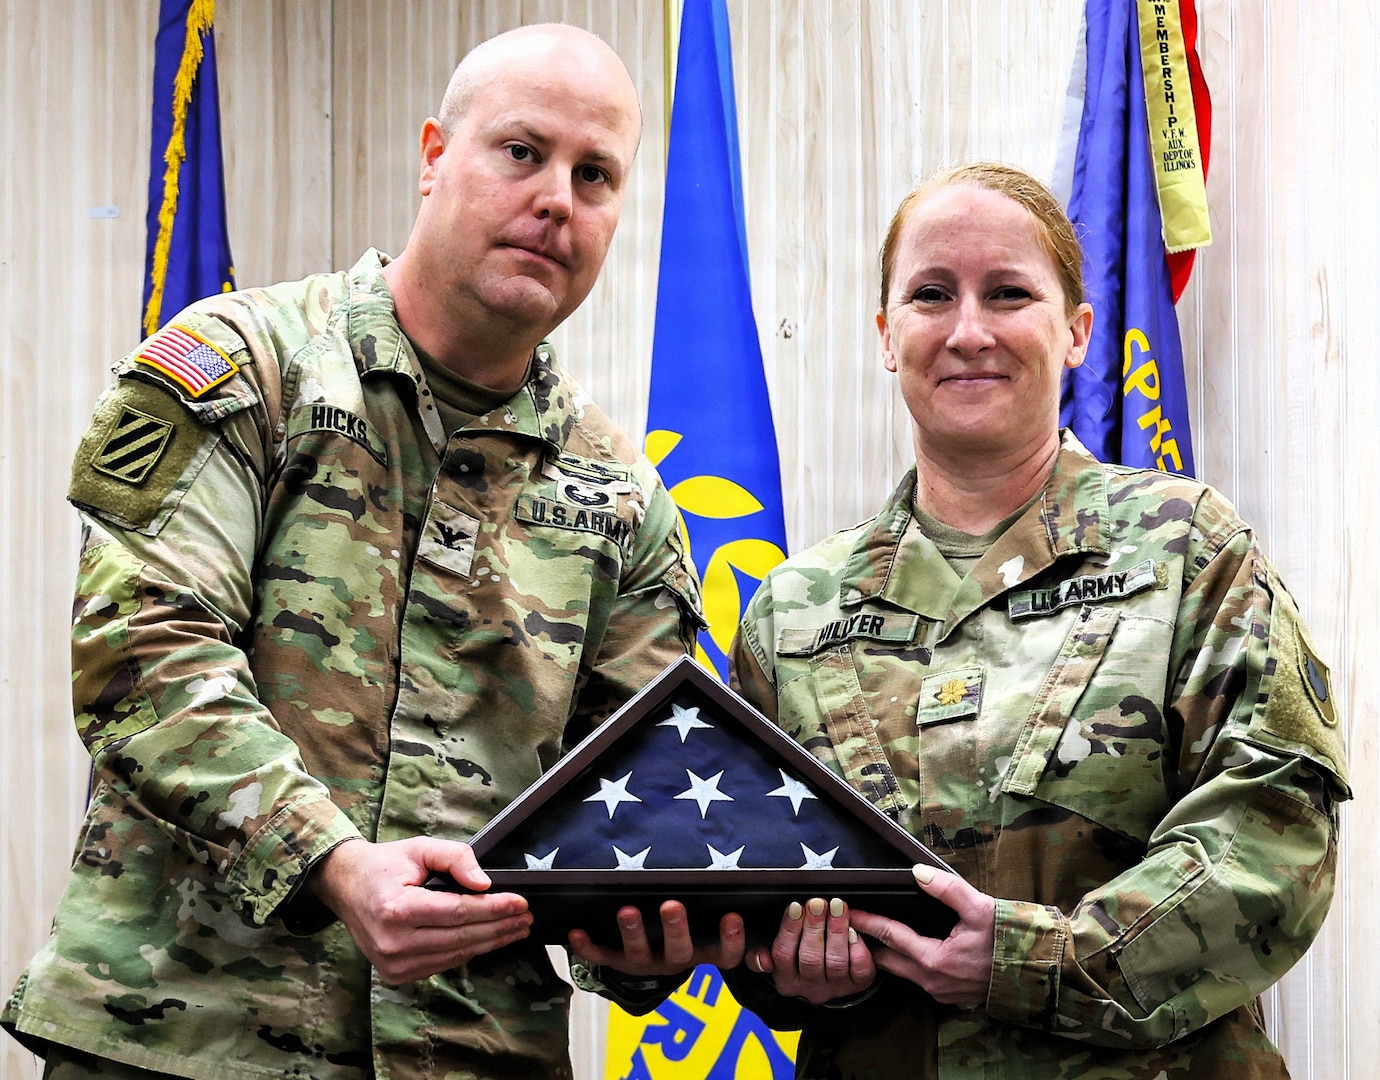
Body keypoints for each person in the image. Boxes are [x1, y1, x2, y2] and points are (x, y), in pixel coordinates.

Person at [3, 23, 741, 1080]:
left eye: (595, 175)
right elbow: (145, 654)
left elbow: (630, 794)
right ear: (435, 155)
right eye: (522, 152)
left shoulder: (623, 499)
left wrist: (638, 939)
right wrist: (333, 863)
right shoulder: (245, 367)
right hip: (188, 1038)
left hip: (473, 1053)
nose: (556, 200)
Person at [722, 162, 1350, 1078]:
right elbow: (750, 890)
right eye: (931, 294)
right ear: (887, 336)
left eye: (1009, 293)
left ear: (1077, 332)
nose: (968, 330)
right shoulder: (792, 612)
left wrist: (1030, 963)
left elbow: (1275, 835)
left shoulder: (1186, 550)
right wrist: (799, 968)